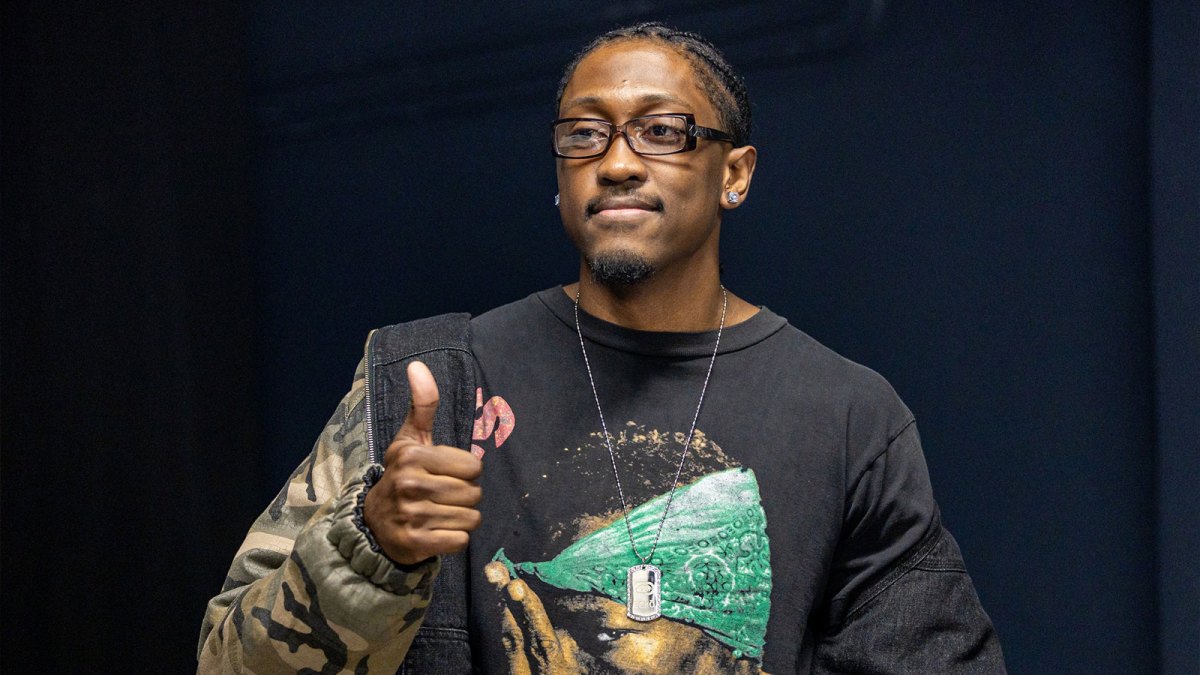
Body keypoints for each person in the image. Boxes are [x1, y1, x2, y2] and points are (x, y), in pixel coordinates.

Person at [198, 23, 1005, 673]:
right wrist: (371, 545)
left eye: (662, 131)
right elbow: (228, 661)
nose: (616, 162)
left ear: (735, 173)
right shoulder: (429, 383)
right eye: (584, 134)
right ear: (560, 175)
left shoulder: (846, 415)